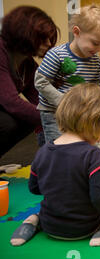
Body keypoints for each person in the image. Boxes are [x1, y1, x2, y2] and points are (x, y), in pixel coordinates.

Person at [10, 83, 100, 247]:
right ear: (93, 124)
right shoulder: (93, 155)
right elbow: (99, 197)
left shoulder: (43, 151)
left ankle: (33, 220)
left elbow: (34, 188)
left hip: (50, 226)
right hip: (85, 229)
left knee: (40, 213)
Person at [35, 4, 100, 145]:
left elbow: (95, 86)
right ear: (77, 32)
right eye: (95, 43)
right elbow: (41, 82)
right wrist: (64, 103)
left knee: (91, 148)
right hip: (54, 112)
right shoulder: (56, 54)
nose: (98, 50)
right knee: (58, 148)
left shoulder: (95, 60)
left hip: (80, 113)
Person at [0, 6, 58, 159]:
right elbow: (11, 103)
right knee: (9, 122)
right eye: (42, 38)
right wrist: (61, 118)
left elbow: (41, 98)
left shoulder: (28, 64)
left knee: (29, 118)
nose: (48, 44)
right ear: (25, 34)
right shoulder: (1, 51)